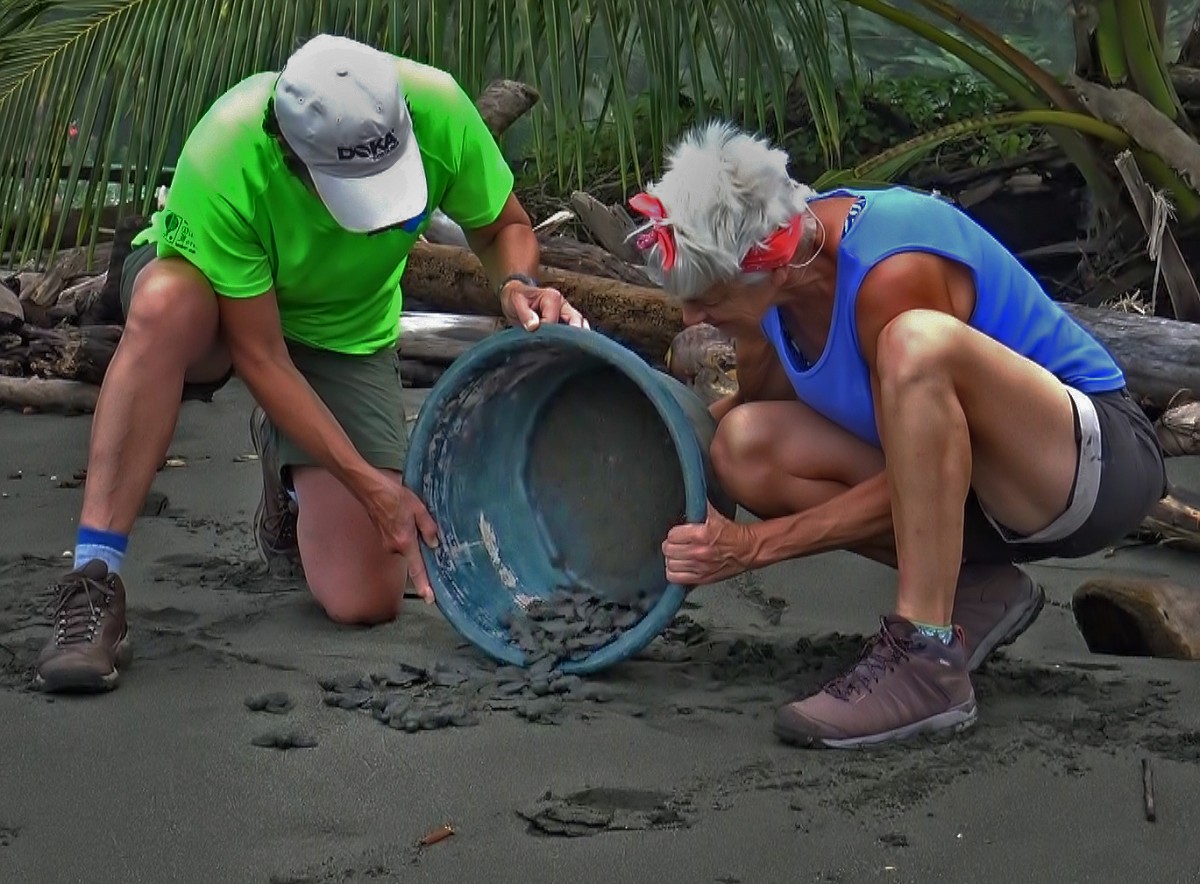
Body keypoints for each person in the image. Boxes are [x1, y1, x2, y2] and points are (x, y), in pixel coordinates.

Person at [34, 34, 587, 693]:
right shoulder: (230, 149)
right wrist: (367, 482)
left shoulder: (437, 106)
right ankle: (95, 579)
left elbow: (502, 227)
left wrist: (516, 284)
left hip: (344, 332)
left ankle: (286, 475)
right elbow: (260, 355)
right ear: (292, 155)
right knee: (164, 305)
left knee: (365, 601)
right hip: (219, 313)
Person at [630, 121, 1168, 749]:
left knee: (916, 344)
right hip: (975, 497)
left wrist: (753, 547)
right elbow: (748, 418)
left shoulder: (892, 270)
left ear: (766, 264)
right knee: (745, 446)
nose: (693, 318)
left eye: (706, 296)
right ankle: (976, 588)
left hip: (1089, 465)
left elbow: (925, 471)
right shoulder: (770, 306)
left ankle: (926, 660)